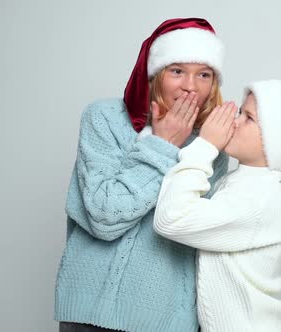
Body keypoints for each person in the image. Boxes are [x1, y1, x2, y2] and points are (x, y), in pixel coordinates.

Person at [54, 18, 228, 332]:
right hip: (89, 314)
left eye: (203, 74)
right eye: (177, 71)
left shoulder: (211, 143)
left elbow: (194, 230)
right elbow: (104, 217)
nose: (191, 86)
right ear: (155, 74)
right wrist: (163, 144)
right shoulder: (105, 117)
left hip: (168, 320)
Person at [154, 79, 281, 332]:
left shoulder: (261, 199)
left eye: (249, 118)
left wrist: (206, 145)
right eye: (240, 111)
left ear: (274, 141)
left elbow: (171, 219)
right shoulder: (241, 183)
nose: (234, 120)